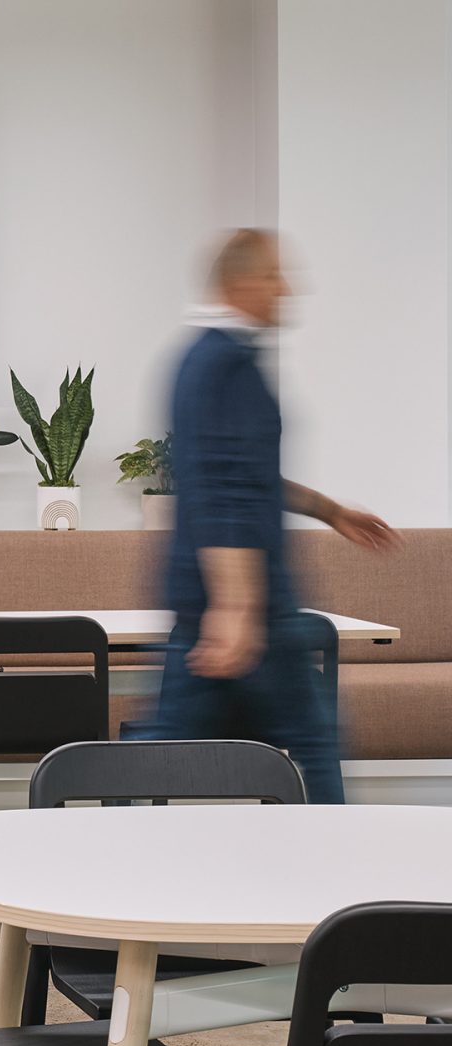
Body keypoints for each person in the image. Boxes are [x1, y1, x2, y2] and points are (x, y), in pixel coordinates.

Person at [154, 229, 401, 804]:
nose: (287, 289)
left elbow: (248, 476)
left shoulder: (199, 359)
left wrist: (330, 510)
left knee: (164, 750)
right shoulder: (227, 364)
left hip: (217, 602)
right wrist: (235, 605)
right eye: (273, 276)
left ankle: (124, 859)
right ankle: (334, 871)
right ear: (240, 283)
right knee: (314, 742)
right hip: (252, 608)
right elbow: (221, 490)